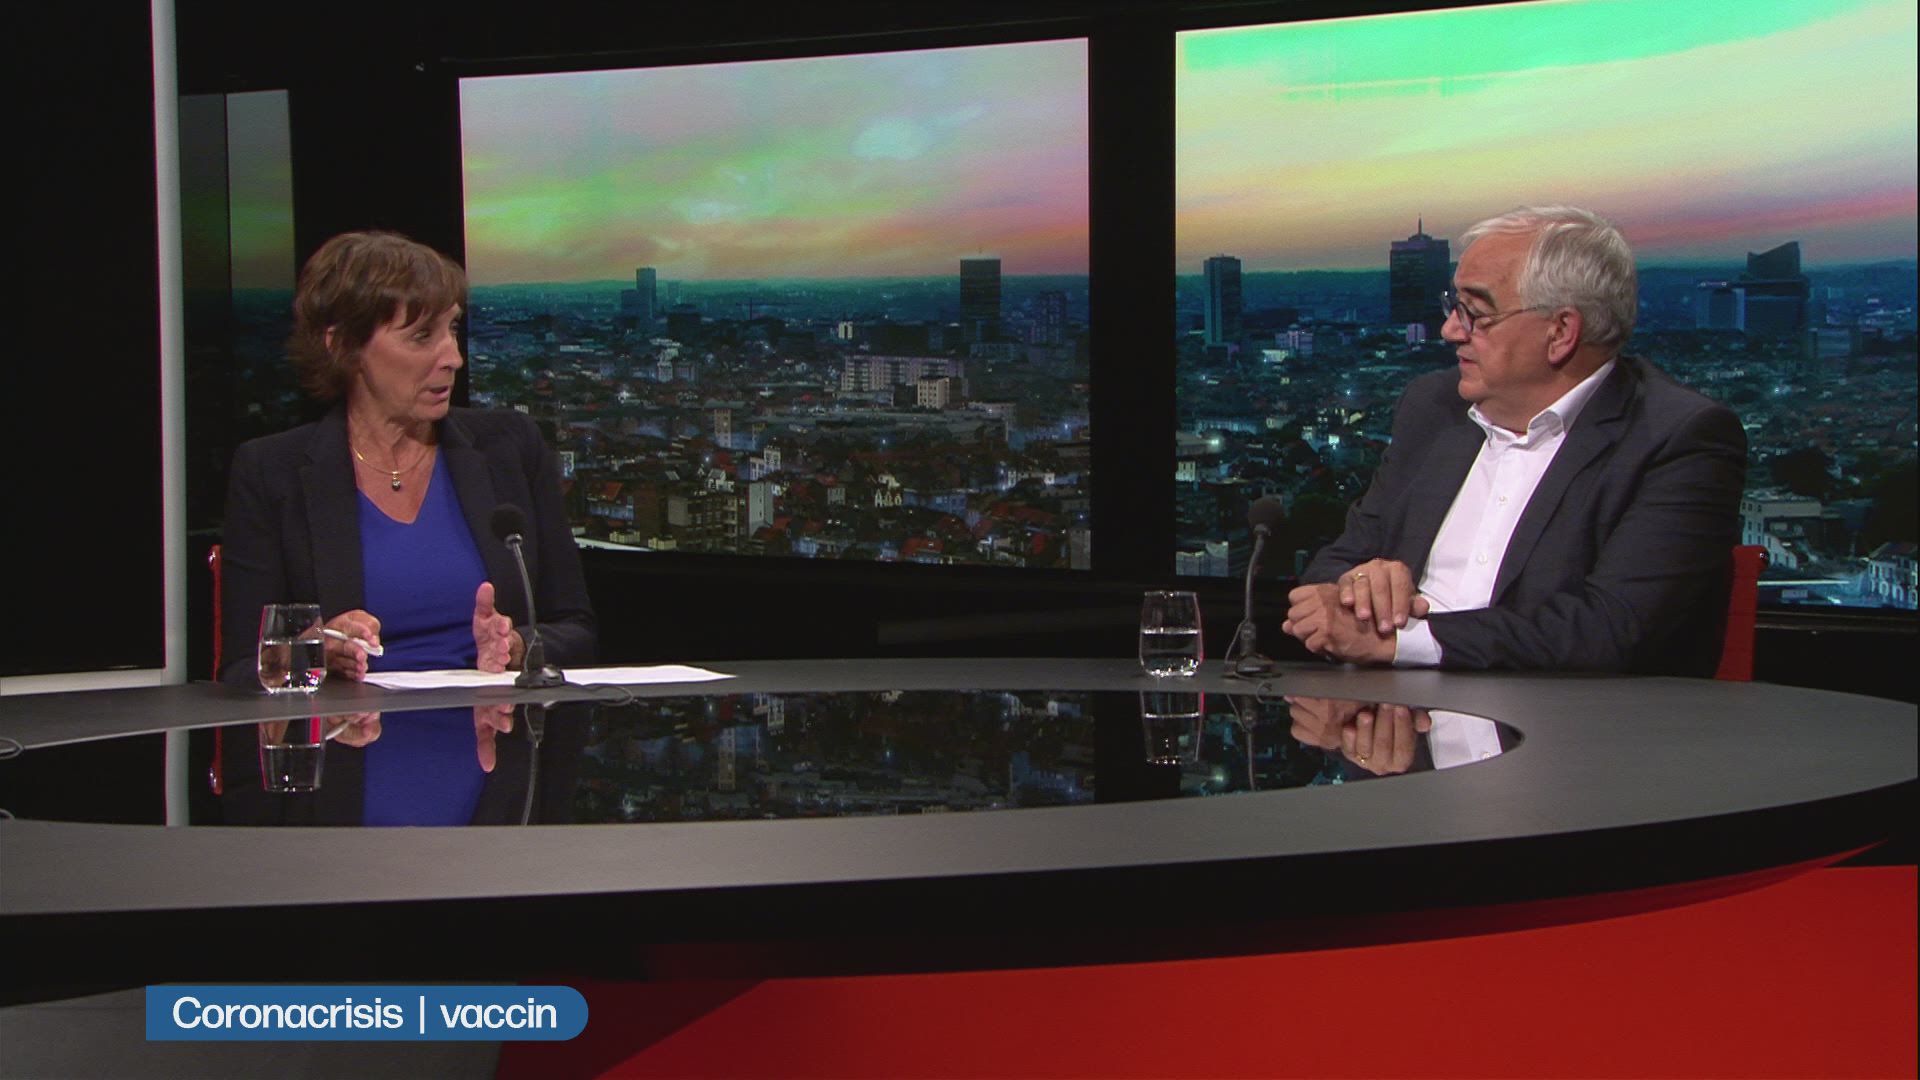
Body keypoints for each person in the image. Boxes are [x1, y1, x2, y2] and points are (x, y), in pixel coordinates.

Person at [1282, 206, 1745, 673]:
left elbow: (1613, 628)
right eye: (1453, 306)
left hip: (1566, 715)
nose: (1450, 330)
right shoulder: (1432, 407)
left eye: (1476, 314)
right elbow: (1335, 563)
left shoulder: (1678, 437)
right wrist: (1357, 588)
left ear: (1560, 332)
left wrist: (1403, 642)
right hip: (1387, 708)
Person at [219, 230, 595, 688]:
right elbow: (243, 668)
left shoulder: (509, 447)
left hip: (495, 725)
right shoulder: (272, 471)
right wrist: (318, 649)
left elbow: (576, 629)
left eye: (452, 329)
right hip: (353, 729)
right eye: (421, 336)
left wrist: (516, 647)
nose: (453, 357)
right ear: (343, 346)